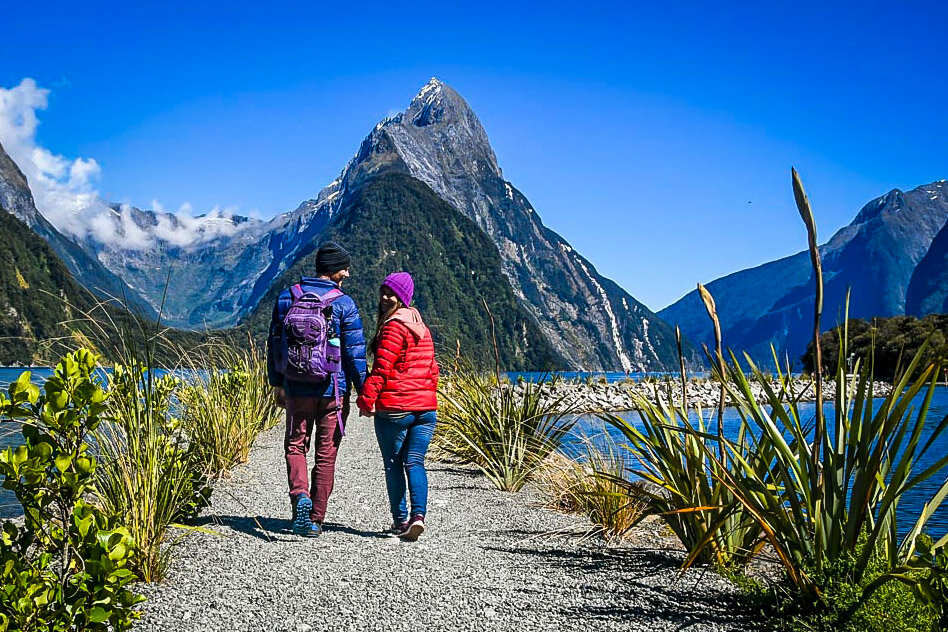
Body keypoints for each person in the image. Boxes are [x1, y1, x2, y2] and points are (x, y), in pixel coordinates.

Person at [267, 242, 367, 537]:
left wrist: (276, 383)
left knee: (295, 446)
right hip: (332, 390)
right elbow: (354, 355)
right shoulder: (344, 304)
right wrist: (365, 391)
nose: (347, 273)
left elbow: (273, 345)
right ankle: (314, 519)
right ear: (335, 269)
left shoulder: (287, 297)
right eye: (344, 267)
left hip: (296, 388)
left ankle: (300, 496)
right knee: (326, 453)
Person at [357, 272, 439, 541]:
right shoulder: (421, 327)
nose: (384, 297)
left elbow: (381, 370)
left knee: (393, 464)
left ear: (402, 298)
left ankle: (400, 520)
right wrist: (427, 395)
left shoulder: (394, 327)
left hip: (396, 408)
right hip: (426, 410)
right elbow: (433, 370)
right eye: (383, 291)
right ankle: (419, 517)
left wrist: (366, 399)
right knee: (415, 462)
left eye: (391, 293)